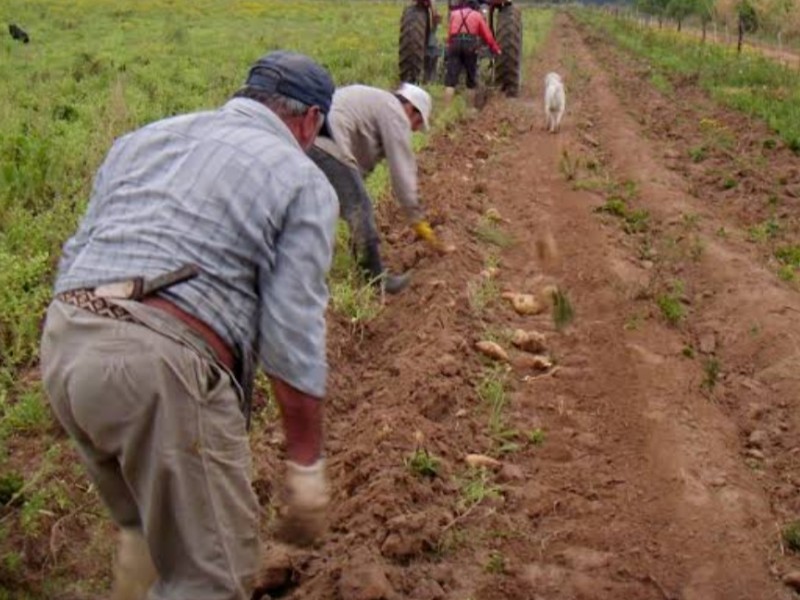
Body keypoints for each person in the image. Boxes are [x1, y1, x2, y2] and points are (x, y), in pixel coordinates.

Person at [40, 50, 339, 600]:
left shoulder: (145, 137)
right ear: (310, 120)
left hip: (65, 342)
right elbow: (291, 329)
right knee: (213, 577)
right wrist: (305, 460)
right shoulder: (302, 179)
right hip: (159, 367)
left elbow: (77, 250)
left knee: (148, 536)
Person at [308, 82, 442, 295]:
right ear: (410, 107)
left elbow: (356, 169)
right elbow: (402, 170)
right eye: (417, 122)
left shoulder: (376, 102)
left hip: (308, 136)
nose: (415, 129)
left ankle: (310, 267)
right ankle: (375, 278)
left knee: (317, 207)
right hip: (328, 143)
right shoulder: (394, 111)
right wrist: (416, 218)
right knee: (361, 207)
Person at [444, 0, 501, 103]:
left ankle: (445, 109)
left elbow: (450, 34)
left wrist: (448, 47)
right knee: (471, 81)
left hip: (455, 44)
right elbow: (487, 36)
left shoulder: (454, 14)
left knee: (450, 82)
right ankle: (469, 109)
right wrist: (495, 49)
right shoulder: (477, 16)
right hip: (470, 45)